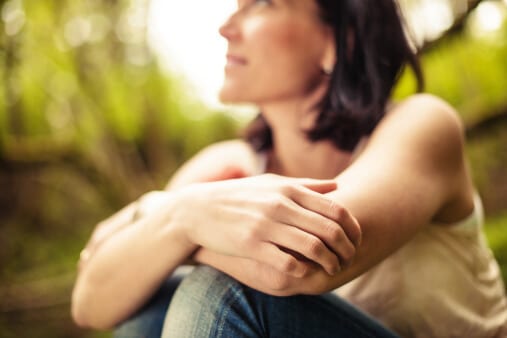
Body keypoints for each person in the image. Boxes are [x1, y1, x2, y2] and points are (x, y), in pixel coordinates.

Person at [71, 0, 507, 337]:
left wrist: (169, 225)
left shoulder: (422, 125)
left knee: (221, 292)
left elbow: (303, 261)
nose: (226, 27)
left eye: (263, 3)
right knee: (147, 307)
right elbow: (91, 302)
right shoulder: (229, 166)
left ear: (341, 39)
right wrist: (179, 215)